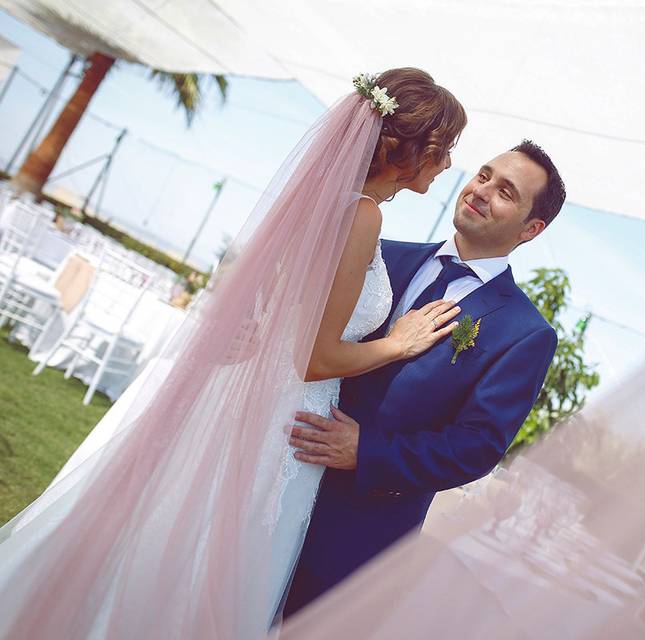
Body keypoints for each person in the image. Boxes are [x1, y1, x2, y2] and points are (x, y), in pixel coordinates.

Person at [0, 68, 467, 639]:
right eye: (446, 152)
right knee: (206, 565)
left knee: (166, 540)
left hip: (244, 393)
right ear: (414, 148)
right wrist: (400, 343)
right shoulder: (361, 215)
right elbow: (314, 360)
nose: (448, 167)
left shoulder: (323, 202)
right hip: (282, 417)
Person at [281, 138, 566, 616]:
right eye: (483, 175)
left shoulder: (526, 333)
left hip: (356, 536)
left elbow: (475, 447)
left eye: (506, 192)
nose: (481, 190)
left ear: (531, 228)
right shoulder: (379, 252)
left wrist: (364, 452)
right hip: (278, 474)